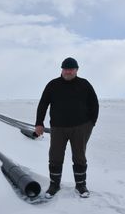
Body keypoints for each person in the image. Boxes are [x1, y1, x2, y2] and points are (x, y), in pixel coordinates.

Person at [35, 57, 99, 198]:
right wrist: (39, 123)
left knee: (79, 157)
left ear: (76, 70)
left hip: (80, 128)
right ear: (62, 69)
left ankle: (81, 185)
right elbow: (43, 104)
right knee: (55, 157)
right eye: (65, 69)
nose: (68, 71)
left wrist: (91, 123)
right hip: (58, 128)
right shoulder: (53, 85)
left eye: (71, 69)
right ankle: (54, 185)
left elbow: (94, 104)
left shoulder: (84, 84)